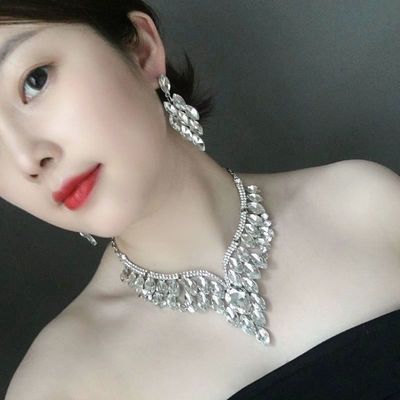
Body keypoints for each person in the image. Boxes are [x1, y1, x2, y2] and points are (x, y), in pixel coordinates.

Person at [2, 1, 399, 399]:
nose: (26, 158)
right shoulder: (57, 384)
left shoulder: (365, 208)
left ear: (142, 50)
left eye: (35, 81)